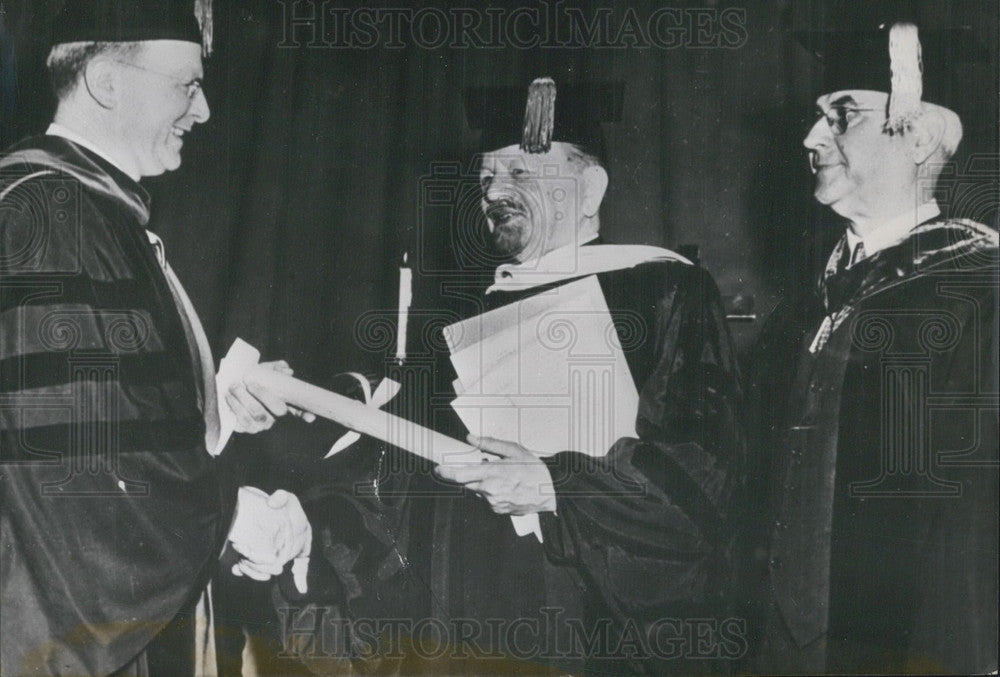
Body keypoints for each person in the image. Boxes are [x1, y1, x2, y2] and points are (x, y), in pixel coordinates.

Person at [291, 77, 746, 676]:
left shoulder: (661, 291)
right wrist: (348, 400)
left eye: (521, 174)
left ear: (590, 189)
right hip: (467, 628)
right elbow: (405, 465)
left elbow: (707, 473)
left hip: (588, 628)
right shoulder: (469, 313)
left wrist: (557, 485)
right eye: (485, 178)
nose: (494, 192)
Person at [0, 2, 311, 674]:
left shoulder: (91, 212)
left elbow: (100, 412)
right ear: (109, 83)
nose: (202, 113)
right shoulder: (49, 217)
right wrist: (227, 514)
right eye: (187, 85)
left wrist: (216, 407)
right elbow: (64, 459)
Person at [754, 19, 999, 674]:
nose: (811, 137)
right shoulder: (804, 308)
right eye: (816, 117)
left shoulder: (977, 295)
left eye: (843, 115)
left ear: (917, 135)